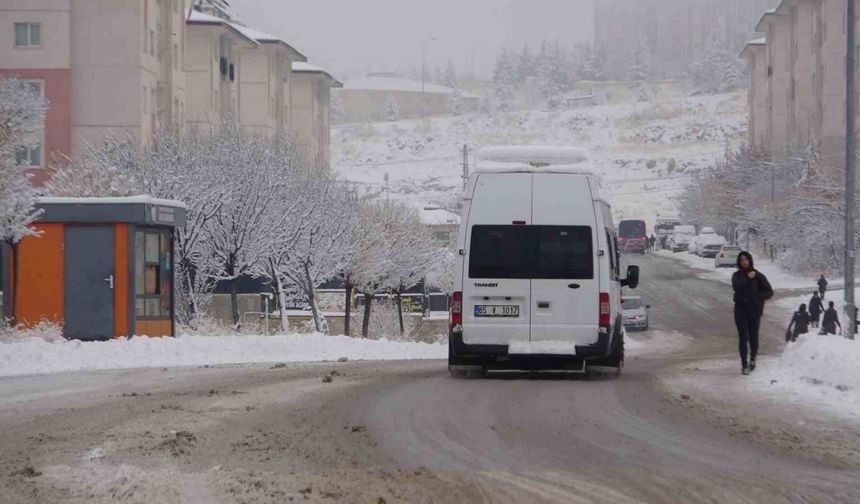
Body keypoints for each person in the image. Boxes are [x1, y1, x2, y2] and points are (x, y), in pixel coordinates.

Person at [732, 251, 774, 375]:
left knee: (753, 337)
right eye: (742, 260)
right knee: (743, 337)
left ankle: (753, 359)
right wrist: (747, 278)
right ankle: (744, 364)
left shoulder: (759, 276)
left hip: (754, 310)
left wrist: (757, 297)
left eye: (746, 259)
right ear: (739, 262)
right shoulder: (737, 275)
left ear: (750, 260)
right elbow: (737, 287)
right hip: (740, 310)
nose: (744, 262)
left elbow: (769, 292)